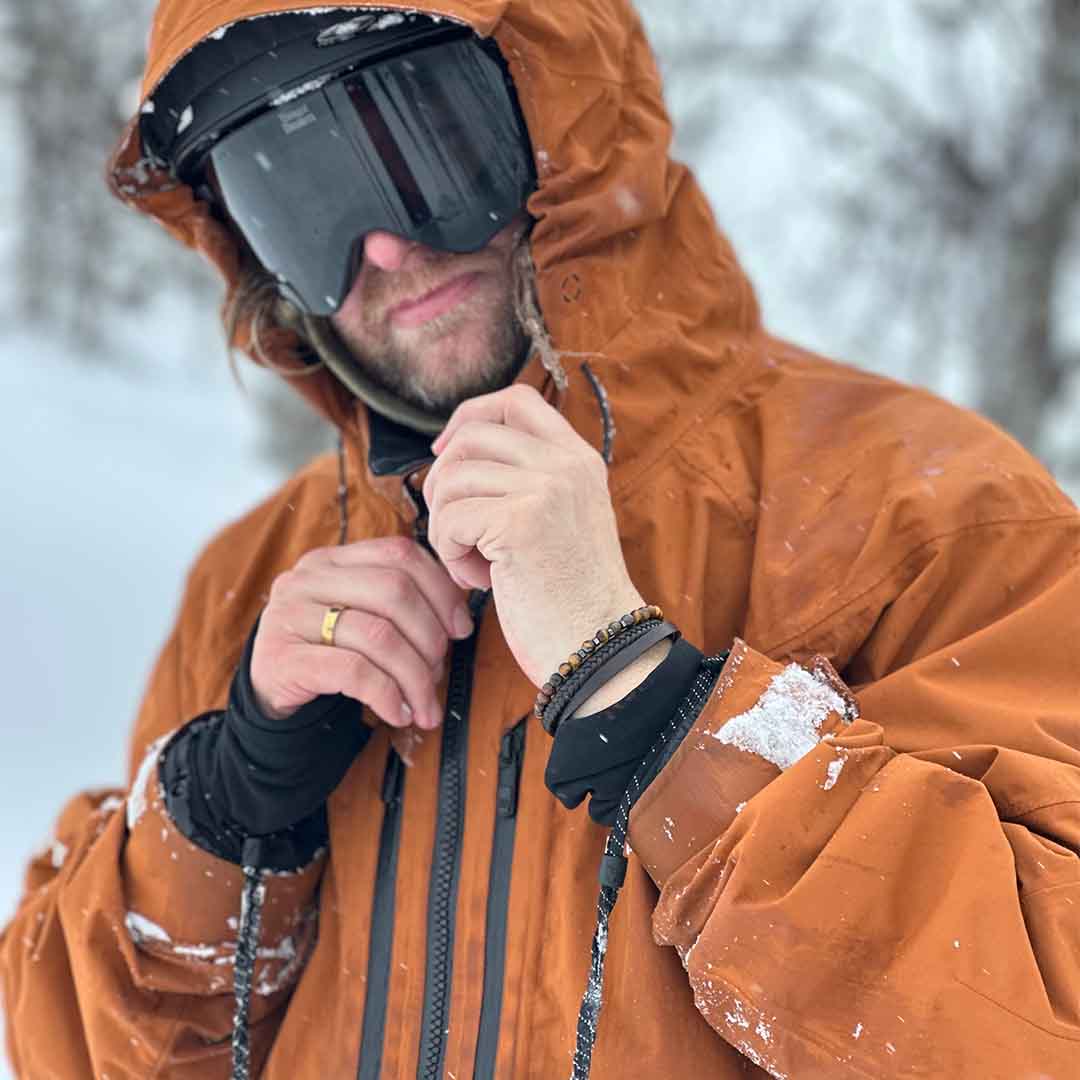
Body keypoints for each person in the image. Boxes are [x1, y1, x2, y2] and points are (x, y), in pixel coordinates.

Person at [3, 2, 1078, 1077]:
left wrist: (660, 706)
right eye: (302, 195)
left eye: (431, 141)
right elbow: (70, 1054)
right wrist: (228, 809)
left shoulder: (927, 512)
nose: (384, 244)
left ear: (563, 118)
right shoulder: (255, 579)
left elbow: (1040, 1023)